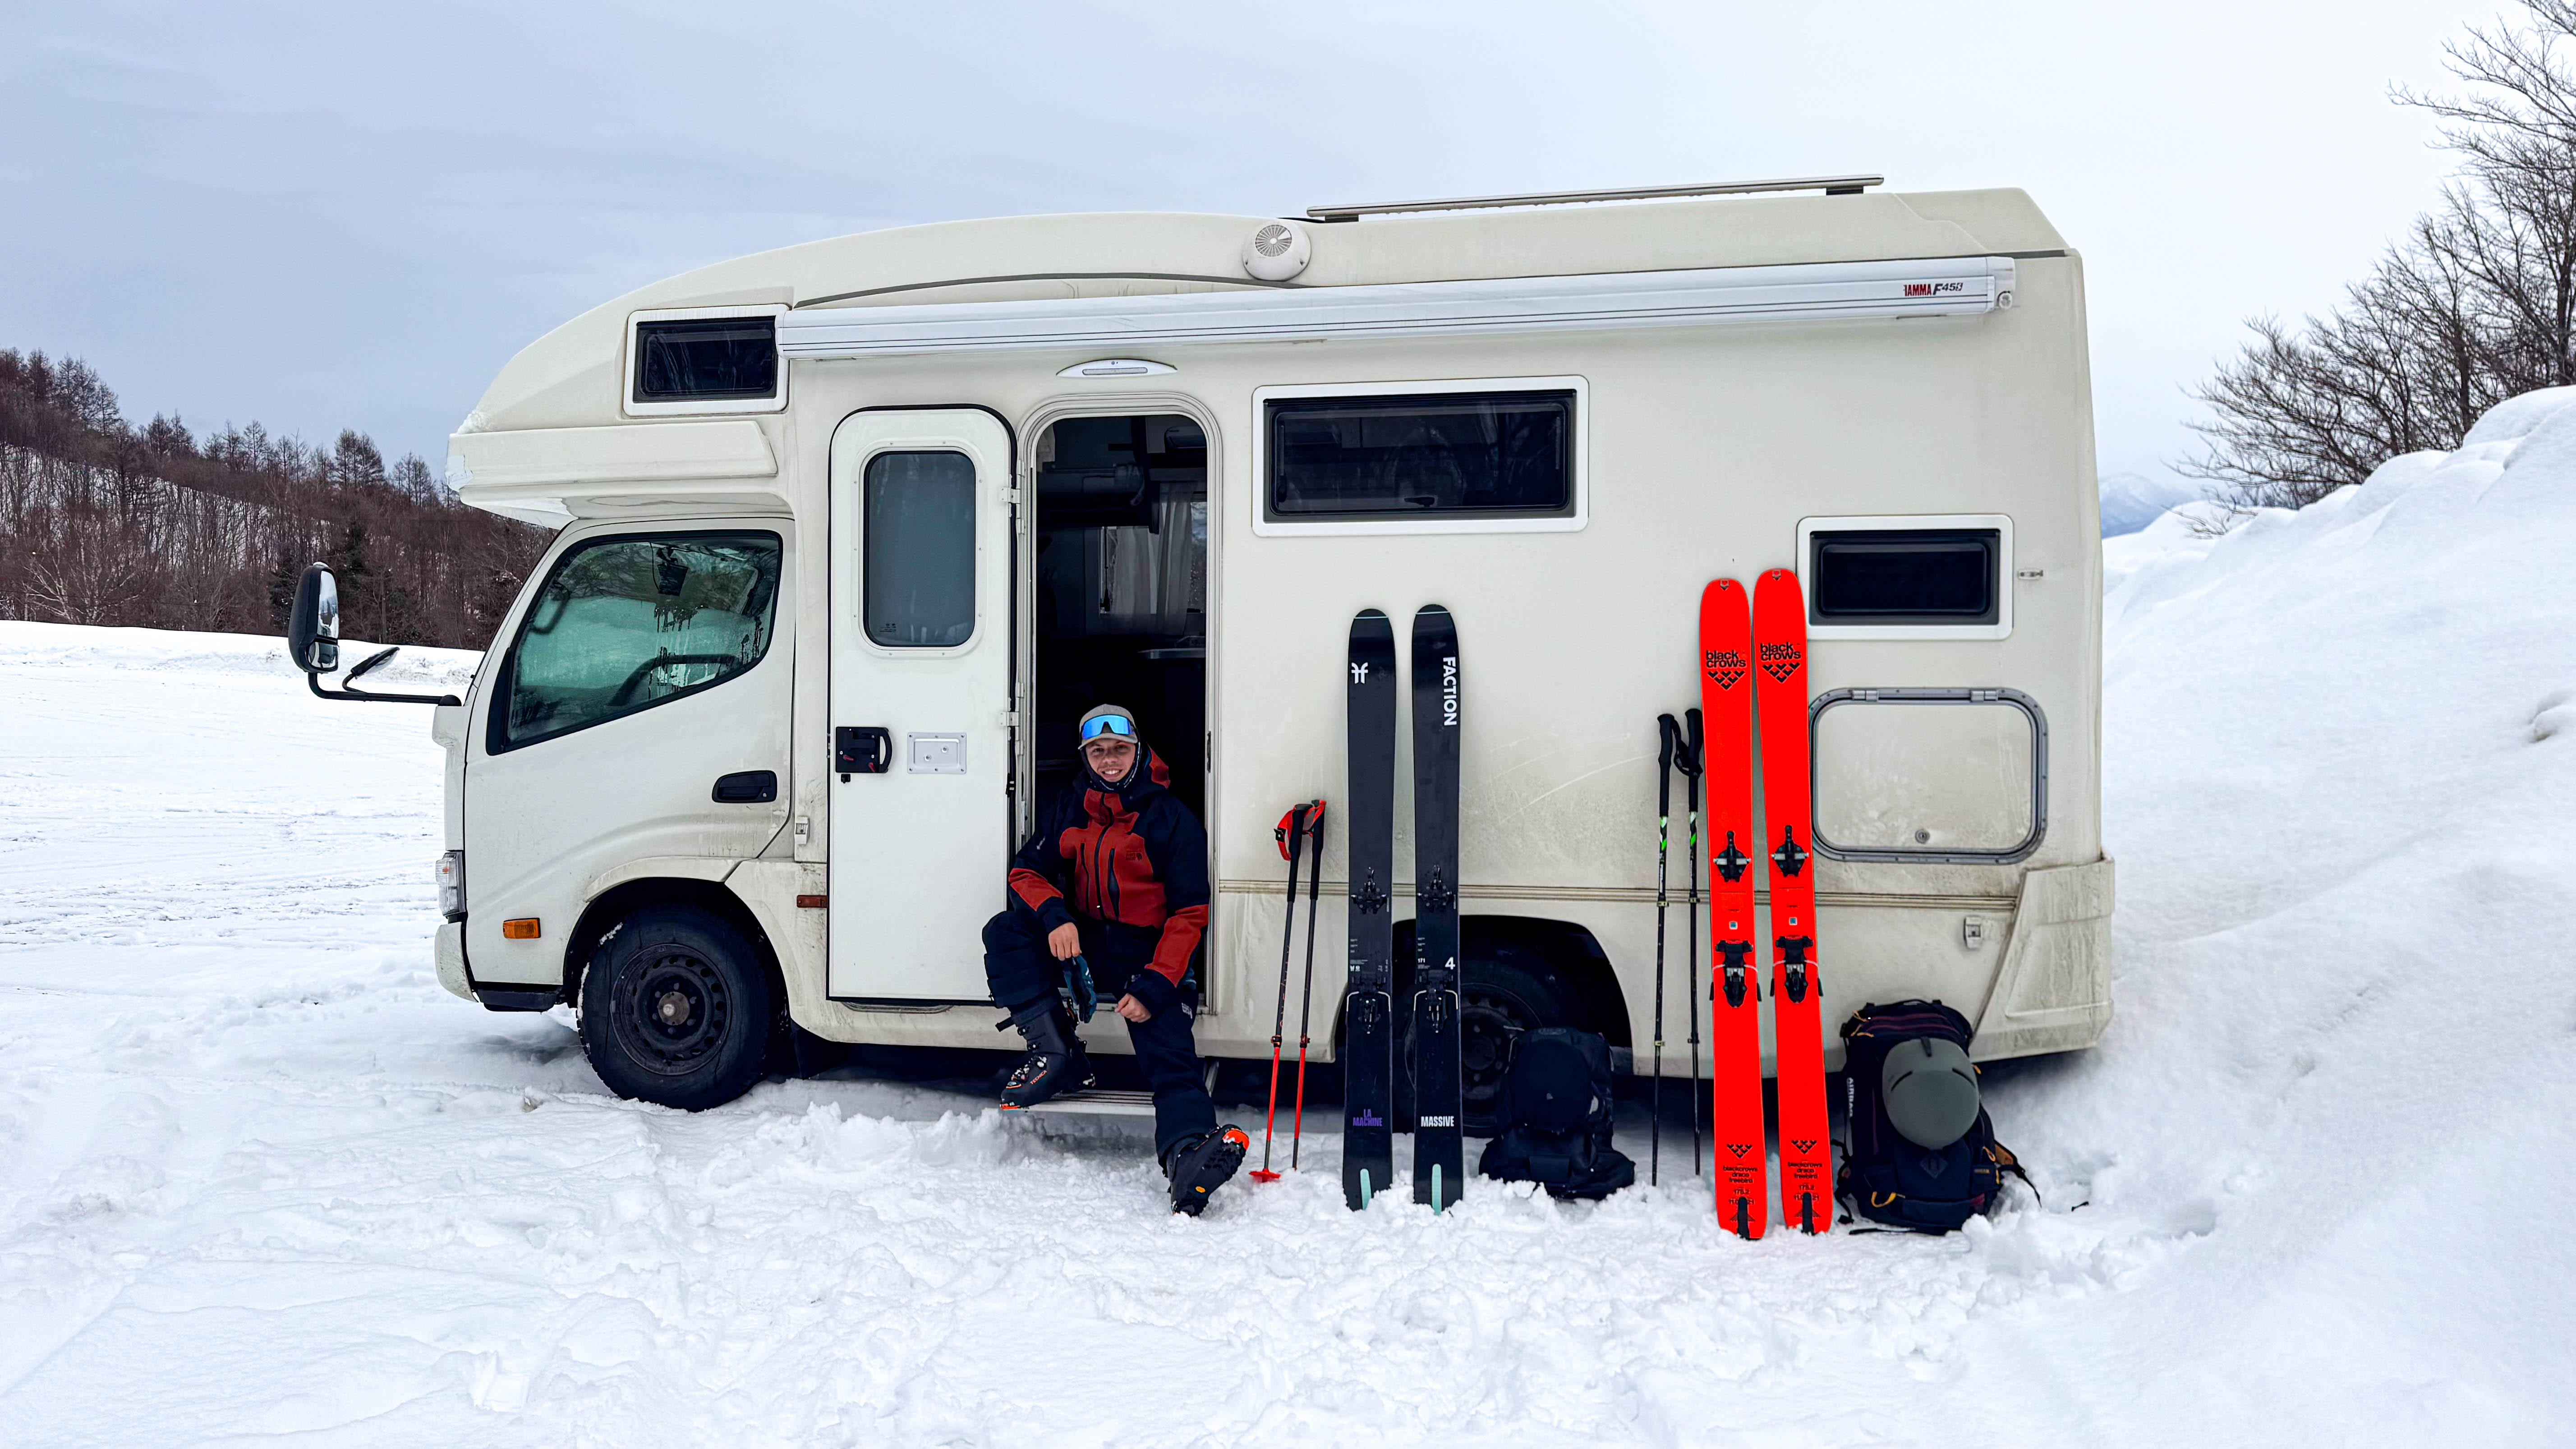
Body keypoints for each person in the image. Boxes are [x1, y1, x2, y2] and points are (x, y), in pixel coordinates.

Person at [984, 703, 1250, 1214]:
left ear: (1138, 750)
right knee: (1006, 931)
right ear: (1085, 756)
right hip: (1085, 939)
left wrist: (1156, 985)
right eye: (1098, 751)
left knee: (1167, 1049)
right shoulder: (1069, 806)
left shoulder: (1171, 818)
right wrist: (1056, 917)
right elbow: (1026, 872)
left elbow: (1190, 915)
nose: (1110, 761)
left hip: (1145, 953)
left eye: (1120, 750)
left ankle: (1187, 1154)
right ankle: (1058, 1055)